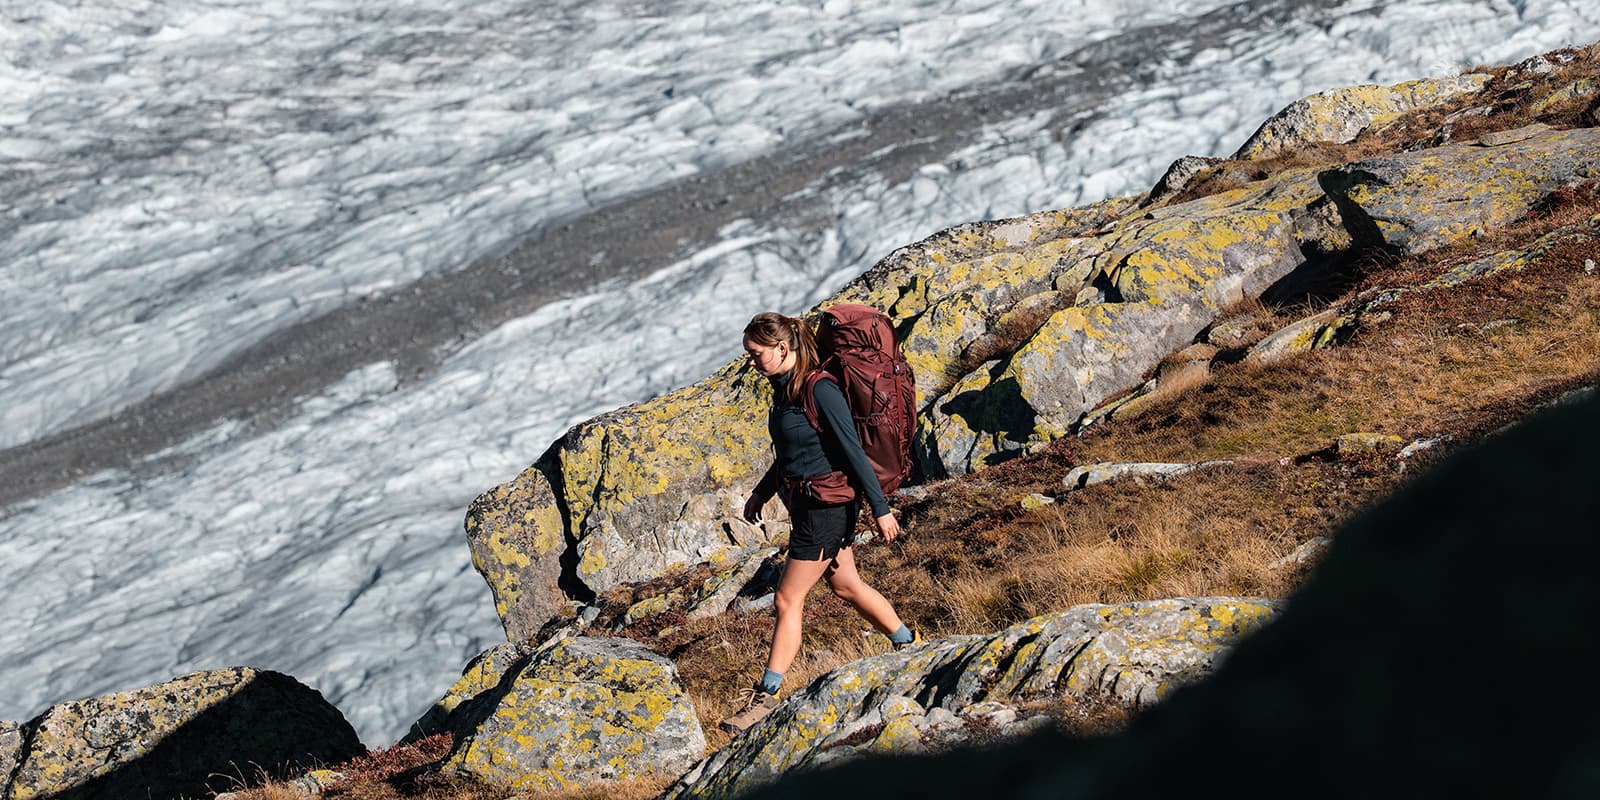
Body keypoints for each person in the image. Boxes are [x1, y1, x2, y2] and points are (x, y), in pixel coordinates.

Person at [719, 311, 918, 734]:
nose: (752, 363)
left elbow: (851, 449)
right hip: (809, 505)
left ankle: (763, 700)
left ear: (782, 348)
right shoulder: (785, 389)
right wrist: (763, 490)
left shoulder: (820, 389)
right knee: (846, 585)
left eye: (756, 355)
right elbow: (795, 449)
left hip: (827, 508)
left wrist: (880, 508)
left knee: (787, 600)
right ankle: (909, 644)